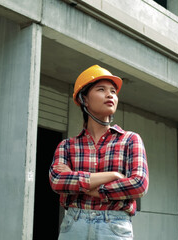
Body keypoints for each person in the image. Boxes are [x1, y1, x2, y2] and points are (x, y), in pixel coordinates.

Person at [49, 65, 149, 240]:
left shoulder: (130, 140)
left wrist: (91, 189)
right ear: (84, 100)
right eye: (101, 89)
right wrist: (114, 175)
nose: (110, 95)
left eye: (113, 91)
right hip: (74, 224)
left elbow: (139, 184)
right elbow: (57, 181)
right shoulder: (67, 145)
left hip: (114, 226)